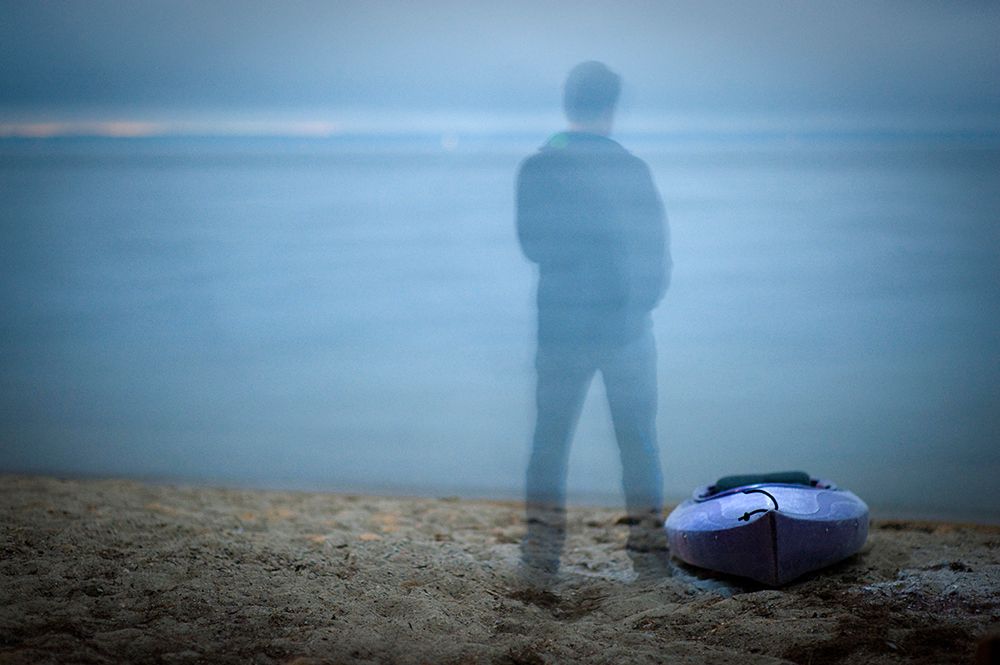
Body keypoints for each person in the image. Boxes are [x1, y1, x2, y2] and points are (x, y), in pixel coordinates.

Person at [516, 61, 672, 584]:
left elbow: (532, 245)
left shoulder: (538, 167)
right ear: (612, 106)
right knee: (638, 445)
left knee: (549, 444)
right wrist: (638, 306)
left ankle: (540, 559)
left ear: (568, 103)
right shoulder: (632, 168)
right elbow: (658, 254)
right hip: (625, 330)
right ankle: (649, 563)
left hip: (560, 328)